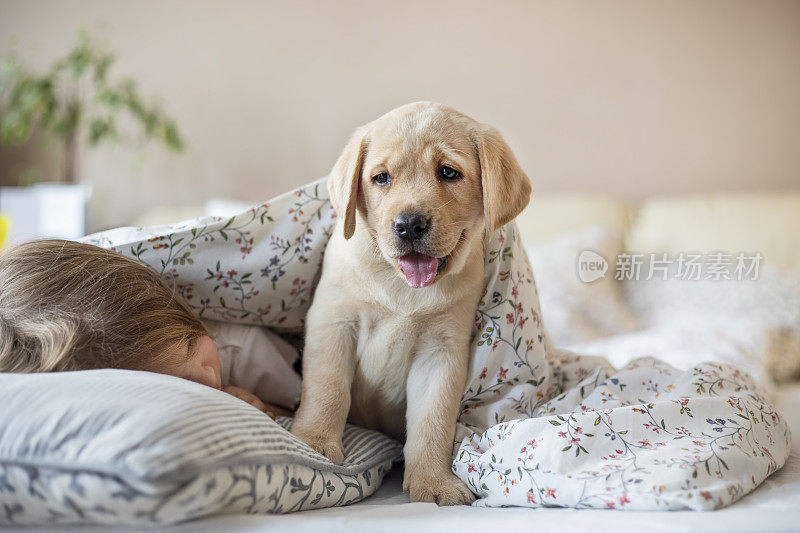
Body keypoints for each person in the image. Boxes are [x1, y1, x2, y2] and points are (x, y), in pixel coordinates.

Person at [0, 239, 300, 418]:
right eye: (182, 387)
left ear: (180, 311)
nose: (209, 379)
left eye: (191, 347)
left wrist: (265, 407)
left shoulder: (239, 346)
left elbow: (314, 411)